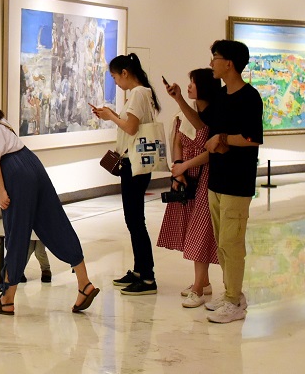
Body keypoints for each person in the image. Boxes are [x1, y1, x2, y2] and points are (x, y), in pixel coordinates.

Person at [0, 73, 99, 315]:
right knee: (55, 221)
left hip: (14, 172)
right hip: (30, 162)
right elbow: (1, 148)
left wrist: (1, 189)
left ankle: (7, 299)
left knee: (16, 233)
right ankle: (84, 283)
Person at [175, 41, 262, 323]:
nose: (211, 63)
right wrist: (179, 99)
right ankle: (231, 294)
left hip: (237, 182)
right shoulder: (222, 95)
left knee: (231, 243)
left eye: (215, 58)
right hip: (217, 181)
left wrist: (222, 139)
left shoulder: (250, 97)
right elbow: (203, 125)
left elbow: (253, 138)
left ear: (229, 64)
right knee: (222, 243)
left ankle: (234, 301)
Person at [92, 52, 161, 295]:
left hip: (134, 165)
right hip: (135, 164)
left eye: (114, 77)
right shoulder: (144, 93)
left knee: (135, 221)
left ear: (124, 73)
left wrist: (111, 116)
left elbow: (131, 128)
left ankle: (148, 277)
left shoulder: (139, 93)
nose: (115, 82)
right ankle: (140, 270)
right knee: (134, 220)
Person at [159, 68, 220, 308]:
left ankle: (199, 288)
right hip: (188, 177)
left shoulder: (213, 114)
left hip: (206, 177)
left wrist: (184, 166)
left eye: (193, 82)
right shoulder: (183, 114)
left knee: (200, 230)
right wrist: (179, 170)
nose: (189, 86)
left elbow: (207, 142)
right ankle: (203, 282)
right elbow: (178, 142)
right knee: (193, 228)